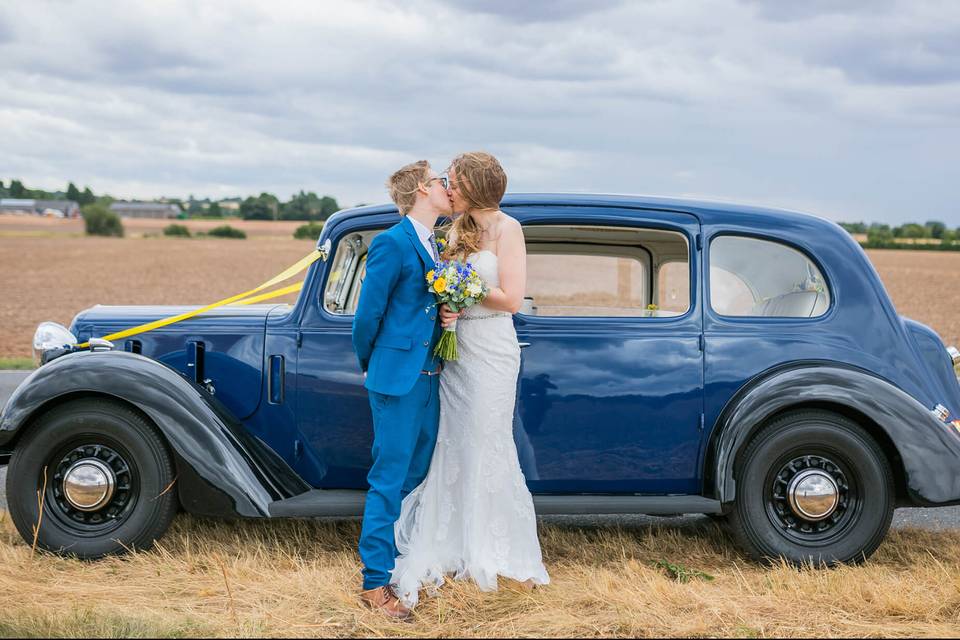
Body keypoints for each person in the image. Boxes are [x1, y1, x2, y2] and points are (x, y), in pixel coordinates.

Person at [391, 151, 550, 608]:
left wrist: (465, 289)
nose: (450, 189)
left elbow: (512, 299)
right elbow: (440, 281)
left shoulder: (508, 228)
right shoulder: (455, 230)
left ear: (474, 186)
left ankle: (491, 547)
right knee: (453, 441)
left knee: (486, 441)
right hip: (457, 352)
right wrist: (448, 301)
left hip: (492, 353)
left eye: (455, 182)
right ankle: (451, 543)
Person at [352, 160, 453, 620]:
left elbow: (425, 307)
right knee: (389, 478)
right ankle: (375, 582)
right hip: (397, 378)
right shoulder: (392, 243)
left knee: (417, 476)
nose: (447, 187)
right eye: (439, 182)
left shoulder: (434, 243)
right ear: (419, 189)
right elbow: (366, 317)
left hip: (432, 376)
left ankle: (405, 566)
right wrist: (375, 365)